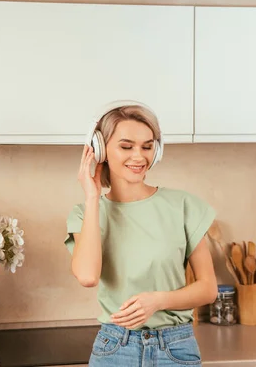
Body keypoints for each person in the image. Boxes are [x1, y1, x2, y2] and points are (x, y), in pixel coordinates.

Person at [64, 100, 218, 366]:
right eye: (126, 147)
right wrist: (92, 197)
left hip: (176, 347)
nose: (139, 157)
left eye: (147, 147)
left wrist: (158, 301)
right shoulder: (85, 214)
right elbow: (88, 276)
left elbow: (208, 289)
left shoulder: (183, 206)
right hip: (115, 348)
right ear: (101, 150)